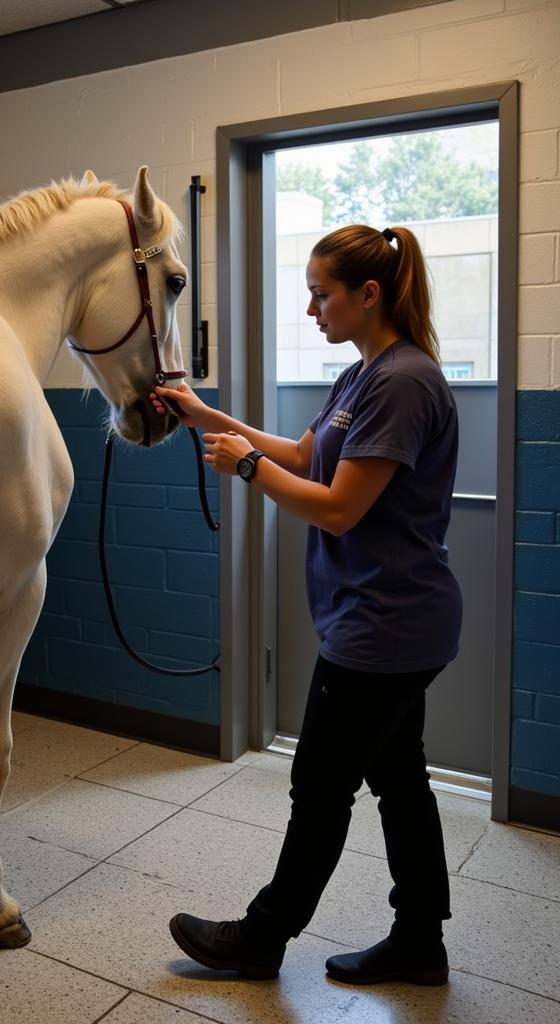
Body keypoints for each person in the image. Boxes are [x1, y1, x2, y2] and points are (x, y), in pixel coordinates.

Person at [151, 224, 462, 987]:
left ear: (368, 294)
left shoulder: (402, 381)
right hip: (386, 619)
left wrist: (245, 466)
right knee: (398, 778)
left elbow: (338, 509)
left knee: (320, 787)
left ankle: (263, 936)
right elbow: (305, 455)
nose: (313, 308)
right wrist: (211, 420)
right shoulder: (362, 374)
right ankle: (421, 941)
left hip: (384, 627)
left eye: (322, 294)